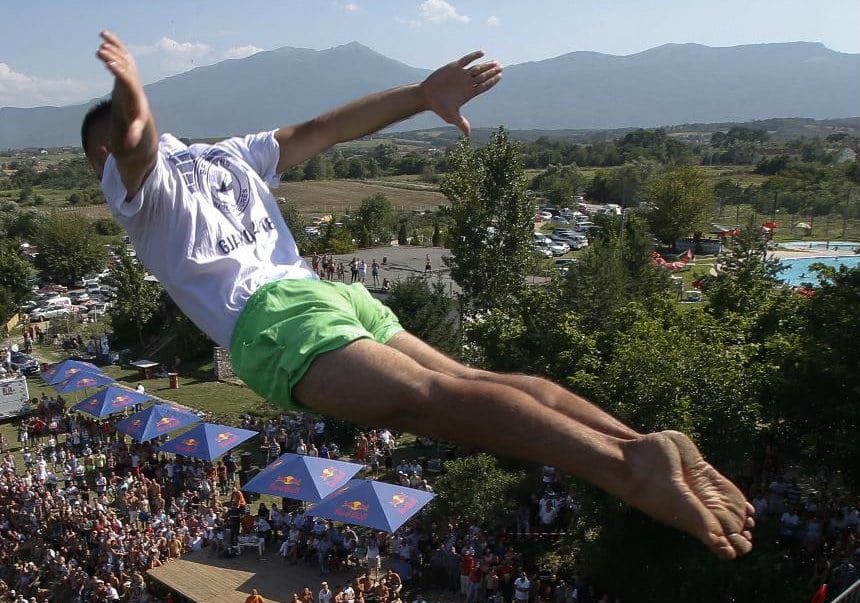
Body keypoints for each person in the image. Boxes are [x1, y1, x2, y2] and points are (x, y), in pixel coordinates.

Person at [84, 30, 753, 559]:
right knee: (472, 379)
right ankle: (640, 442)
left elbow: (137, 146)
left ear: (104, 155)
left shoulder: (137, 186)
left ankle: (626, 469)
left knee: (434, 405)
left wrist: (132, 95)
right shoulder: (225, 154)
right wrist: (419, 96)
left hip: (276, 323)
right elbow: (324, 130)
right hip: (327, 295)